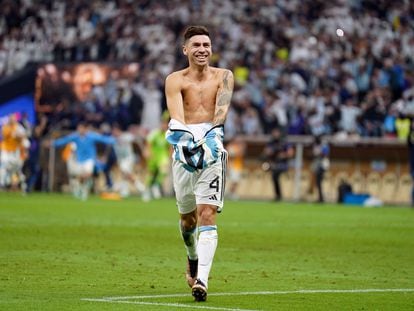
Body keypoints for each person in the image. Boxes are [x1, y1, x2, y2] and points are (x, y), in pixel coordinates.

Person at [164, 25, 233, 302]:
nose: (202, 49)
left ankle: (202, 279)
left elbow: (221, 112)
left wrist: (212, 139)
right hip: (184, 148)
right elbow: (177, 118)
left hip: (213, 149)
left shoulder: (224, 76)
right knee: (187, 219)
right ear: (185, 50)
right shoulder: (175, 80)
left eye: (206, 44)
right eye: (196, 45)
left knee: (208, 214)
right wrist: (185, 142)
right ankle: (192, 257)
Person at [52, 121, 115, 200]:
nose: (79, 130)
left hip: (89, 160)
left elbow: (103, 139)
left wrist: (114, 140)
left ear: (85, 129)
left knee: (88, 173)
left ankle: (82, 188)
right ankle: (81, 188)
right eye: (78, 128)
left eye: (81, 128)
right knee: (80, 177)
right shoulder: (75, 137)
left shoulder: (91, 136)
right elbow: (65, 140)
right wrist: (53, 143)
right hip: (80, 160)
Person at [142, 114, 170, 201]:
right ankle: (147, 191)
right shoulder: (155, 133)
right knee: (150, 174)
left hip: (162, 156)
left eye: (165, 124)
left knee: (164, 170)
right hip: (153, 156)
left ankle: (156, 186)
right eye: (163, 124)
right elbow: (148, 143)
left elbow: (169, 147)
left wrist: (169, 156)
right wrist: (147, 152)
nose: (164, 126)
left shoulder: (168, 135)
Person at [263, 127, 294, 201]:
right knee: (272, 173)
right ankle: (278, 195)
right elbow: (266, 151)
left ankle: (279, 195)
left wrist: (283, 155)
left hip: (283, 164)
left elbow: (291, 153)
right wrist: (270, 152)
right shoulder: (271, 142)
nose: (275, 134)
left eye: (276, 132)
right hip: (274, 163)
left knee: (275, 174)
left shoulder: (284, 142)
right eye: (274, 132)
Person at [0, 114, 29, 193]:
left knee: (18, 170)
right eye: (11, 118)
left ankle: (24, 187)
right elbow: (7, 135)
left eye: (14, 119)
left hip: (15, 152)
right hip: (6, 150)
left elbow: (24, 138)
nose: (12, 120)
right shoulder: (5, 127)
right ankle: (2, 184)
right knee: (3, 165)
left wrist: (25, 151)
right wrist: (17, 135)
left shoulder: (18, 127)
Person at [308, 135, 330, 202]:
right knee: (318, 182)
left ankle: (321, 198)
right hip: (317, 165)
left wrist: (319, 153)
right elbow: (314, 154)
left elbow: (325, 154)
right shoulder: (315, 146)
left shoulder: (324, 145)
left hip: (322, 165)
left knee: (320, 182)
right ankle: (320, 197)